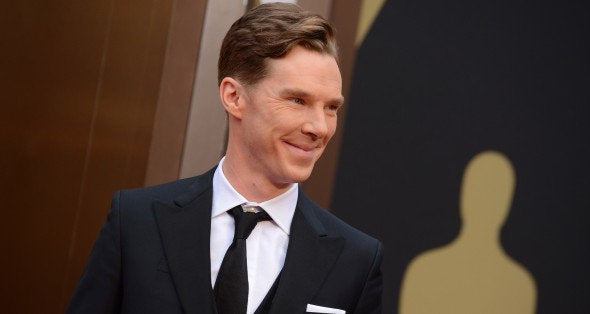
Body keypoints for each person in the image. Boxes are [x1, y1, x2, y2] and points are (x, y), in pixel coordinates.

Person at [67, 3, 382, 314]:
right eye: (297, 100)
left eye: (331, 107)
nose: (319, 127)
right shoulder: (137, 223)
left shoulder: (356, 261)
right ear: (234, 97)